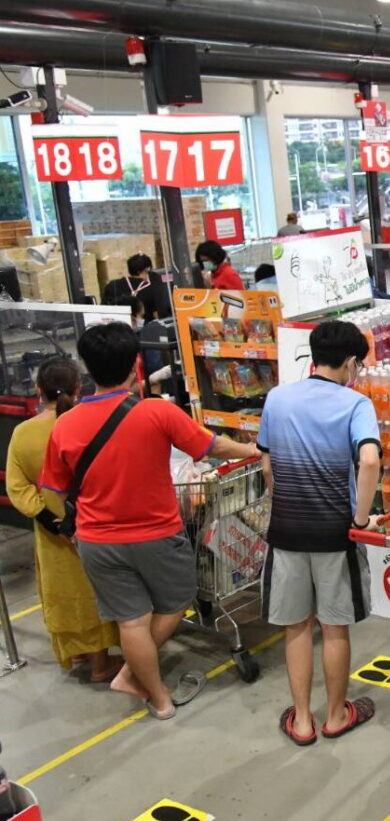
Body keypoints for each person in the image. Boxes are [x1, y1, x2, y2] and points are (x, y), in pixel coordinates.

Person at [41, 323, 256, 719]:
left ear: (87, 367)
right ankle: (128, 674)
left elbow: (52, 491)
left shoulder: (65, 425)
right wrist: (255, 450)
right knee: (176, 602)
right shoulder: (157, 411)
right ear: (134, 366)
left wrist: (75, 526)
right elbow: (212, 447)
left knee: (131, 621)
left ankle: (158, 698)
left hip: (97, 541)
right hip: (156, 533)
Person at [258, 320, 382, 745]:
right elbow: (369, 461)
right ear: (349, 362)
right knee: (334, 628)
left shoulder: (277, 397)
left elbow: (267, 465)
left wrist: (286, 499)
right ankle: (335, 715)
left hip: (287, 531)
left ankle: (302, 721)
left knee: (295, 627)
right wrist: (361, 520)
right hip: (335, 535)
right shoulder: (356, 404)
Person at [6, 357, 121, 680]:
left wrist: (47, 518)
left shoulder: (22, 433)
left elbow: (17, 486)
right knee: (93, 589)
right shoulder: (87, 424)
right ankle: (101, 663)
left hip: (51, 532)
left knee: (63, 592)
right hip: (91, 523)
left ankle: (78, 653)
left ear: (38, 389)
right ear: (77, 388)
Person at [102, 253, 170, 320]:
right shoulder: (151, 288)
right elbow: (157, 315)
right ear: (146, 269)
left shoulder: (112, 285)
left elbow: (104, 310)